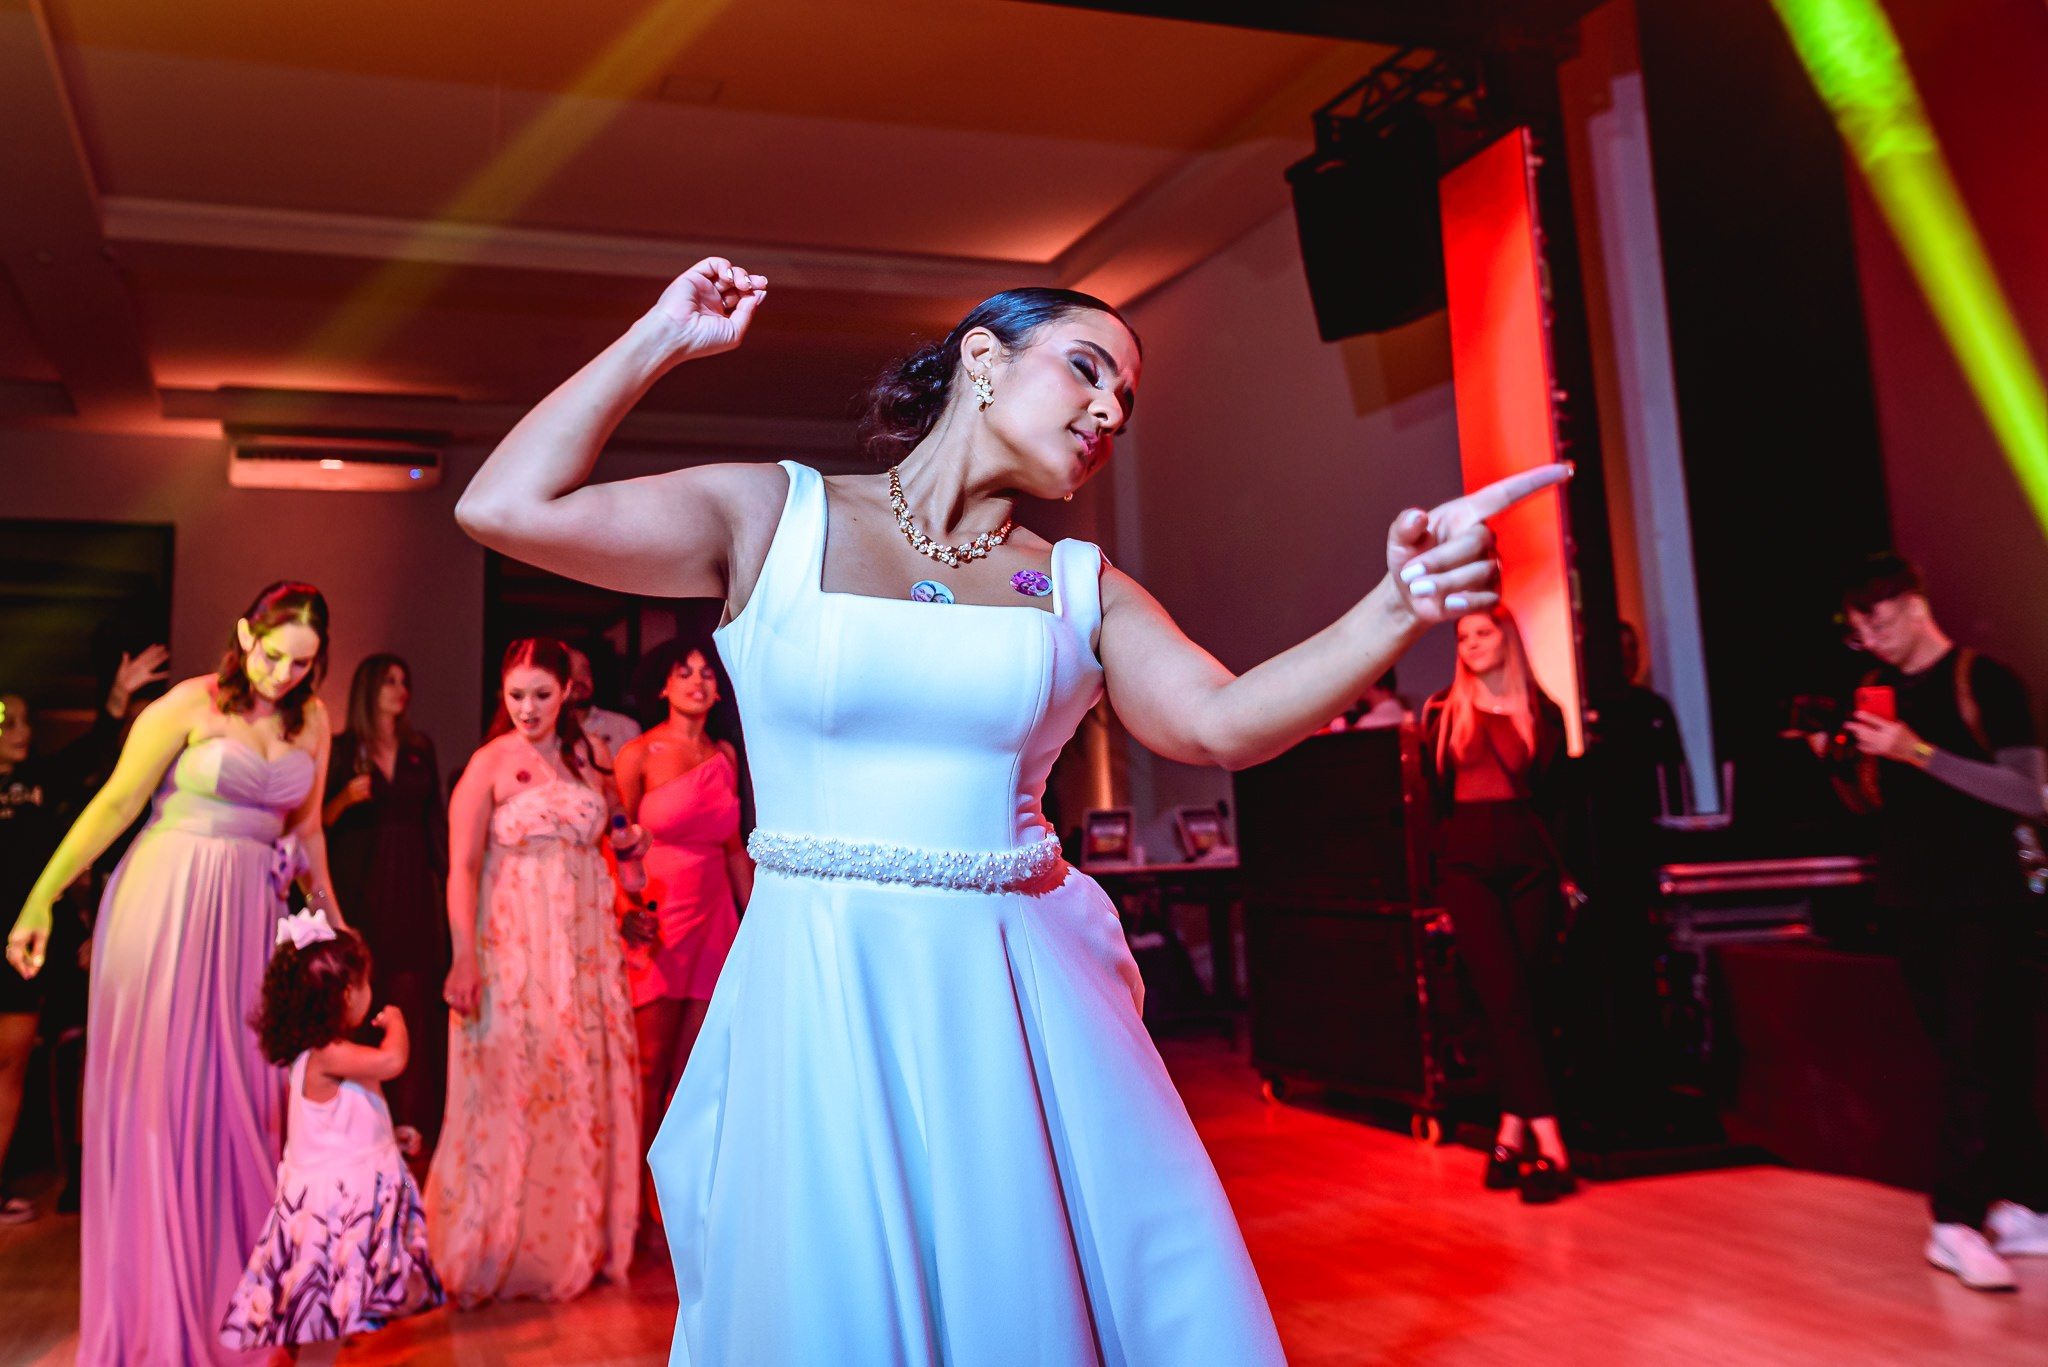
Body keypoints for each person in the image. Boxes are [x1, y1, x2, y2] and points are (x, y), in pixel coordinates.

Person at [452, 258, 1565, 1363]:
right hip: (822, 989)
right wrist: (660, 338)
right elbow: (503, 506)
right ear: (981, 358)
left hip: (1016, 1005)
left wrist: (1392, 606)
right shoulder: (772, 513)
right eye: (1085, 369)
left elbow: (1221, 720)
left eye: (1123, 400)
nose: (1107, 408)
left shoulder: (1078, 583)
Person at [7, 582, 339, 1365]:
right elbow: (117, 803)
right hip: (167, 908)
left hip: (254, 923)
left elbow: (311, 828)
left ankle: (238, 1306)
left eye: (304, 663)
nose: (286, 674)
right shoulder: (185, 707)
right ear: (242, 634)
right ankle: (160, 1311)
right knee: (166, 1097)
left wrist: (334, 922)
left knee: (249, 1106)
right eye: (274, 654)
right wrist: (41, 899)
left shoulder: (314, 720)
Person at [1829, 554, 2048, 1291]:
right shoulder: (1877, 693)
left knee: (1990, 1053)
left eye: (1879, 620)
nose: (1874, 639)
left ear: (1914, 604)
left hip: (1989, 899)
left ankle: (1956, 1219)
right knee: (1974, 1052)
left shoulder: (1985, 680)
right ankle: (2022, 1203)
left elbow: (2028, 791)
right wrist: (1840, 762)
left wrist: (1915, 751)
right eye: (1860, 630)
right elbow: (1878, 806)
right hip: (1911, 905)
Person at [424, 637, 639, 1306]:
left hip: (582, 952)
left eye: (540, 694)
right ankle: (501, 1243)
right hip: (513, 948)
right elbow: (460, 868)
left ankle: (575, 1238)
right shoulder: (489, 763)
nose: (527, 707)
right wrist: (464, 955)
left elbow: (619, 829)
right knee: (516, 1084)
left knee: (578, 1085)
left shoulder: (584, 759)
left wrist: (631, 848)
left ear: (566, 692)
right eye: (515, 695)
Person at [221, 908, 443, 1354]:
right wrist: (397, 1025)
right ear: (344, 995)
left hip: (351, 1198)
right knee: (323, 1324)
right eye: (364, 983)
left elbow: (349, 1116)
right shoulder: (325, 1055)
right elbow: (392, 1062)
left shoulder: (332, 1054)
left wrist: (389, 1136)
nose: (370, 991)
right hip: (335, 1211)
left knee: (341, 1312)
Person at [0, 646, 169, 1224]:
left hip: (21, 948)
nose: (20, 731)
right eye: (7, 719)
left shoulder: (42, 783)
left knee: (11, 1067)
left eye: (26, 720)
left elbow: (95, 768)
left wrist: (118, 702)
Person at [1421, 608, 1578, 1204]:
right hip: (1467, 865)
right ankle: (1552, 1142)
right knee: (1500, 995)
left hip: (1530, 860)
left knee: (1529, 997)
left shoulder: (1544, 712)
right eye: (1463, 636)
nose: (1473, 643)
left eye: (1484, 632)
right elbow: (1435, 808)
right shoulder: (1442, 711)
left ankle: (1511, 1128)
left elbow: (1556, 801)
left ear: (1508, 637)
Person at [613, 639, 753, 1249]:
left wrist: (757, 919)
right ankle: (634, 1207)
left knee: (697, 1071)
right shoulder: (638, 752)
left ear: (718, 691)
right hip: (657, 913)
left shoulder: (725, 754)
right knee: (648, 1065)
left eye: (705, 673)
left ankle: (686, 1197)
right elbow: (610, 843)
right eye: (683, 672)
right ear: (663, 687)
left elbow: (733, 850)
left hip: (714, 916)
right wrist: (624, 910)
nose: (696, 680)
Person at [322, 653, 450, 1151]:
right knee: (360, 1001)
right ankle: (359, 1120)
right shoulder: (341, 749)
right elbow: (317, 826)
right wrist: (341, 802)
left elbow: (434, 821)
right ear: (368, 689)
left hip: (412, 887)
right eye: (389, 682)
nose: (400, 690)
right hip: (363, 883)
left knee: (413, 1002)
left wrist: (446, 884)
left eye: (405, 681)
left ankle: (411, 1122)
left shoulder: (420, 749)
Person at [568, 645, 642, 761]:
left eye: (584, 671)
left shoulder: (625, 727)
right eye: (570, 671)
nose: (579, 679)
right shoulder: (545, 731)